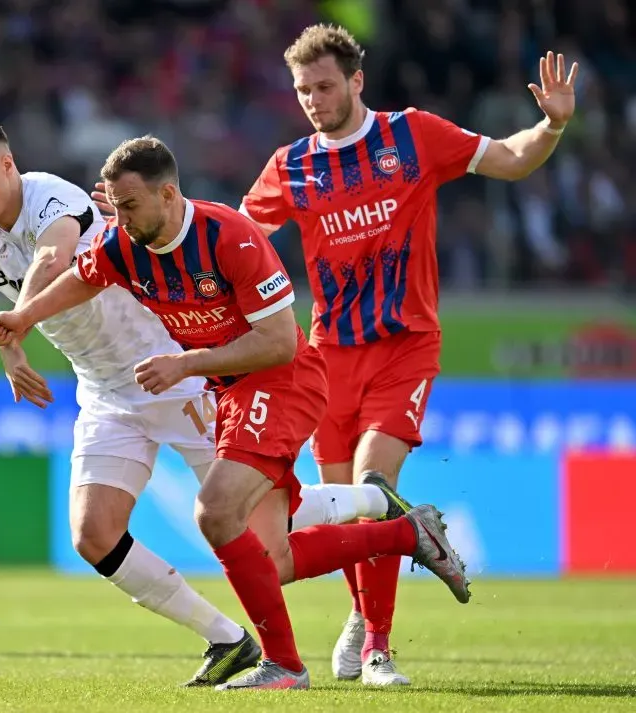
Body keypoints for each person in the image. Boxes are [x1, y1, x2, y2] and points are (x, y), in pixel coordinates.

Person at [0, 116, 416, 687]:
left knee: (266, 531)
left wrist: (20, 323)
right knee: (93, 534)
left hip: (174, 373)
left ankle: (373, 501)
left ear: (7, 165)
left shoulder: (49, 198)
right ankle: (225, 638)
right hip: (107, 394)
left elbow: (53, 259)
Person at [89, 25, 579, 687]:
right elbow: (222, 234)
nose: (314, 100)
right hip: (327, 356)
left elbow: (512, 159)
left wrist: (548, 127)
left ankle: (376, 646)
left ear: (356, 81)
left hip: (404, 343)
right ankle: (372, 599)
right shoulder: (291, 165)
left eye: (324, 86)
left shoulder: (414, 136)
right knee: (346, 502)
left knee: (375, 485)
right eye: (302, 90)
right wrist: (132, 214)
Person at [0, 136, 471, 691]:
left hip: (284, 378)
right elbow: (82, 277)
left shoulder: (231, 239)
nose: (117, 218)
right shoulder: (125, 243)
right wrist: (23, 317)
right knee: (273, 558)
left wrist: (187, 363)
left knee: (215, 512)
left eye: (129, 206)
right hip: (233, 387)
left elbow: (279, 343)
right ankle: (409, 534)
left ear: (168, 195)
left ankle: (284, 666)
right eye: (114, 207)